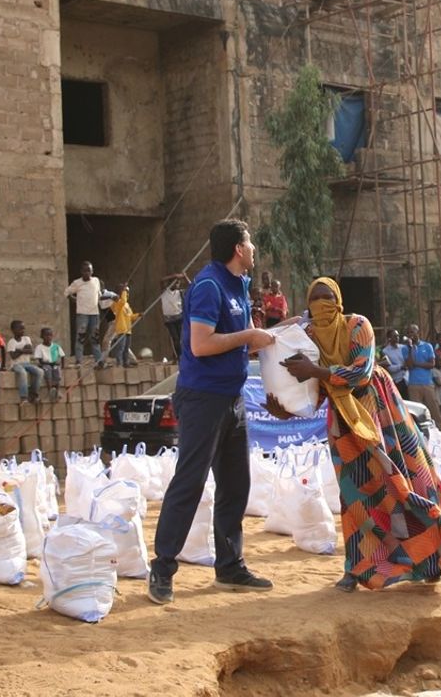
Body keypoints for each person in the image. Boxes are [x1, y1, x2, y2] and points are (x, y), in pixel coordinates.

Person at [268, 278, 441, 590]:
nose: (322, 305)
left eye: (328, 297)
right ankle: (357, 568)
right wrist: (284, 410)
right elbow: (316, 393)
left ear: (338, 301)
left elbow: (361, 372)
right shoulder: (309, 341)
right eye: (315, 299)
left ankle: (433, 556)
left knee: (400, 482)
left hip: (379, 411)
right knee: (355, 496)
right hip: (343, 424)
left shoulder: (357, 326)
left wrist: (317, 372)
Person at [149, 219, 276, 605]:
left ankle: (230, 566)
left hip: (232, 397)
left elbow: (243, 341)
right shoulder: (208, 285)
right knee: (189, 483)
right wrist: (249, 337)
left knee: (236, 485)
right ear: (238, 249)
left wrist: (281, 334)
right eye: (250, 242)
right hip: (203, 399)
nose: (254, 248)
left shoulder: (239, 283)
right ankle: (163, 568)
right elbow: (202, 345)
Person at [65, 261, 104, 366]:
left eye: (89, 271)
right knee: (80, 337)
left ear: (92, 271)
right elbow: (67, 292)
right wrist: (75, 300)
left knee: (95, 338)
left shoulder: (96, 281)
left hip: (94, 314)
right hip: (82, 314)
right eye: (84, 271)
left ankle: (99, 360)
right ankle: (79, 360)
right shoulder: (77, 283)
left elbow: (99, 294)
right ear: (81, 272)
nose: (87, 273)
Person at [404, 324, 441, 428]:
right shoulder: (405, 348)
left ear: (418, 333)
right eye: (409, 333)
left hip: (427, 383)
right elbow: (410, 366)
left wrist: (418, 364)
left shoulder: (427, 346)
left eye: (413, 332)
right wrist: (411, 348)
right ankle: (420, 432)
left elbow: (432, 364)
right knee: (416, 411)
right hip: (413, 384)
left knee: (434, 408)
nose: (411, 335)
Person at [7, 320, 43, 404]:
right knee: (22, 373)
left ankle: (34, 395)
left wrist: (19, 350)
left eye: (23, 329)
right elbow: (13, 356)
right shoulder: (11, 342)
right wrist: (24, 350)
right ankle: (24, 397)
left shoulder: (27, 339)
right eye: (20, 329)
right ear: (13, 330)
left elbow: (30, 351)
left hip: (27, 363)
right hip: (16, 364)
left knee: (40, 372)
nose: (22, 331)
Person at [110, 283, 141, 367]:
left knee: (126, 348)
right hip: (121, 329)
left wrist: (138, 315)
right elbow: (122, 301)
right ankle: (119, 363)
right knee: (121, 348)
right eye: (124, 292)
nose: (126, 294)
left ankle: (125, 362)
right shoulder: (117, 303)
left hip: (128, 329)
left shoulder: (127, 305)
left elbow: (130, 316)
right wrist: (123, 289)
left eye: (127, 292)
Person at [160, 274, 188, 362]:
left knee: (181, 338)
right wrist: (175, 276)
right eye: (175, 283)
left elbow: (192, 286)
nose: (177, 285)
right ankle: (178, 357)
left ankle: (182, 356)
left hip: (179, 317)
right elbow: (161, 280)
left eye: (178, 283)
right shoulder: (164, 291)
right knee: (175, 338)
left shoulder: (180, 292)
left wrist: (185, 277)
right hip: (169, 319)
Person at [34, 327, 65, 401]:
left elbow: (62, 356)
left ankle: (57, 391)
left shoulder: (56, 346)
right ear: (42, 336)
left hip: (54, 364)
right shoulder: (39, 347)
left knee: (57, 372)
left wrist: (62, 366)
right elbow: (40, 360)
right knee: (48, 371)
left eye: (50, 335)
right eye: (46, 335)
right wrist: (49, 363)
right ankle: (50, 390)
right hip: (45, 364)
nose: (48, 337)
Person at [380, 329, 408, 397]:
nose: (397, 338)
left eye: (398, 336)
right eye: (394, 336)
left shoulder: (403, 348)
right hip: (397, 381)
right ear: (389, 338)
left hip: (407, 379)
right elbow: (389, 368)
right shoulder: (385, 351)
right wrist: (401, 367)